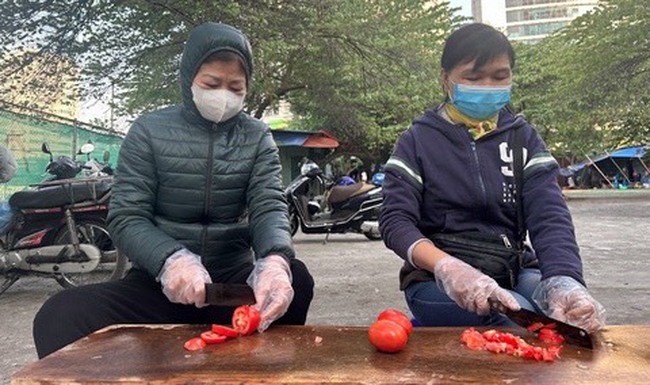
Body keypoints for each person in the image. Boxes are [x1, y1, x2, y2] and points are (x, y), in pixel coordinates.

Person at [33, 22, 314, 358]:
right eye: (212, 83)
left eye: (235, 88)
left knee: (296, 281)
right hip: (157, 285)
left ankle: (252, 372)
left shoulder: (257, 137)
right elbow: (126, 216)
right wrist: (171, 260)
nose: (223, 95)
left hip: (231, 285)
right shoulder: (149, 131)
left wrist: (273, 259)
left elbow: (268, 205)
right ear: (188, 78)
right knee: (59, 315)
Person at [379, 23, 604, 333]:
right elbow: (395, 221)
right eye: (473, 77)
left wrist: (564, 280)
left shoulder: (524, 138)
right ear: (446, 79)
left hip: (512, 268)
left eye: (500, 76)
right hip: (436, 281)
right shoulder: (416, 141)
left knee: (566, 316)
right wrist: (448, 267)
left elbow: (549, 215)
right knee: (521, 320)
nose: (487, 85)